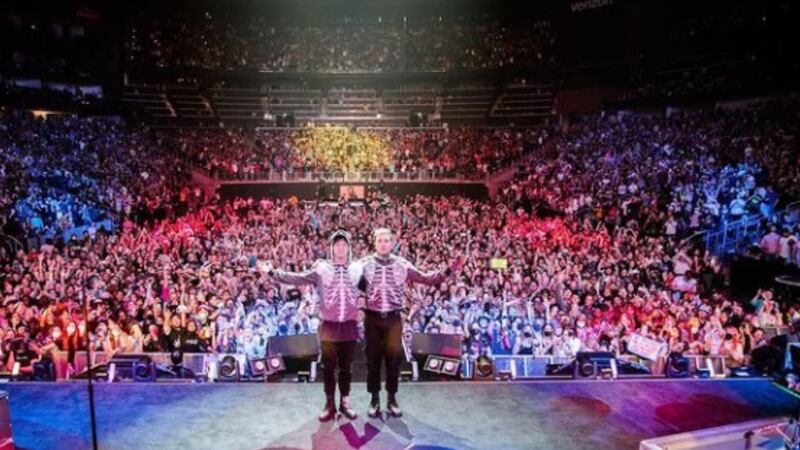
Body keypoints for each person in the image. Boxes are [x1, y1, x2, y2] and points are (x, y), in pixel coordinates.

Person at [355, 227, 461, 418]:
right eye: (380, 240)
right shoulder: (363, 264)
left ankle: (392, 398)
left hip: (394, 318)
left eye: (387, 240)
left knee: (394, 361)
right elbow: (351, 284)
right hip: (372, 318)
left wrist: (448, 271)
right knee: (373, 361)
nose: (383, 244)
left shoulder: (402, 264)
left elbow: (427, 279)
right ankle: (374, 399)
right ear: (374, 243)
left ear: (392, 243)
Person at [260, 230, 361, 422]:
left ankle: (345, 403)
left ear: (348, 248)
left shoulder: (357, 269)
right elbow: (298, 278)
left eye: (343, 244)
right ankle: (330, 404)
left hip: (349, 325)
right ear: (331, 248)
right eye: (337, 244)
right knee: (329, 367)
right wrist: (273, 273)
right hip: (329, 326)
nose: (340, 247)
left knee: (346, 368)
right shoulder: (322, 269)